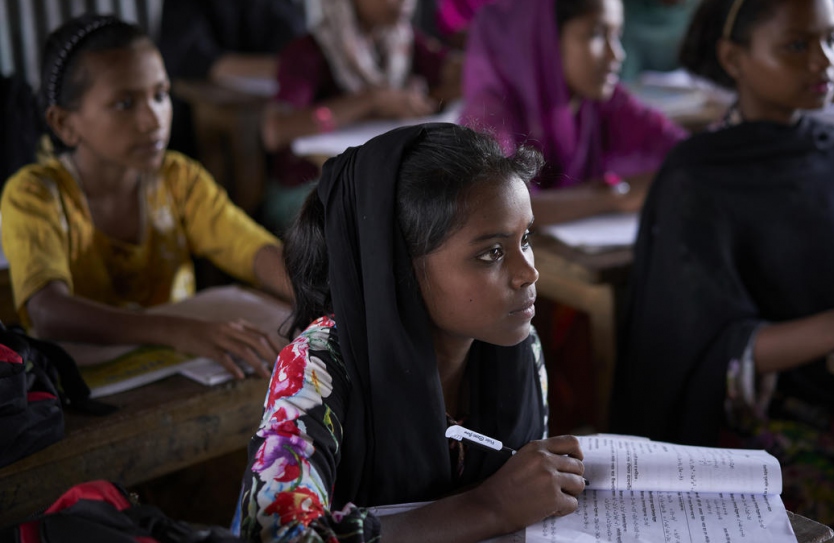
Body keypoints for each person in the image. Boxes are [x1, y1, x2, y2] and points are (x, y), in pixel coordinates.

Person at [608, 0, 834, 535]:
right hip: (740, 415)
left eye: (833, 39)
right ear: (733, 58)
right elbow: (708, 353)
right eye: (798, 45)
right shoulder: (696, 176)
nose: (824, 62)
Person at [239, 123, 586, 542]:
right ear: (399, 269)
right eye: (492, 252)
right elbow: (275, 536)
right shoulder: (317, 364)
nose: (529, 272)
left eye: (525, 239)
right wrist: (489, 507)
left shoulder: (517, 344)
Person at [0, 14, 293, 379]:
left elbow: (251, 249)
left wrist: (320, 297)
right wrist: (178, 331)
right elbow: (48, 310)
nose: (153, 120)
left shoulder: (178, 179)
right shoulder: (34, 195)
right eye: (125, 104)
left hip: (180, 373)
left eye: (160, 95)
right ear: (64, 124)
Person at [459, 0, 687, 226]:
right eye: (596, 35)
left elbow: (682, 149)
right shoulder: (488, 114)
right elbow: (499, 204)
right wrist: (613, 197)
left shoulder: (599, 101)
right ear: (545, 40)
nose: (616, 55)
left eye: (617, 35)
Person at [259, 0, 462, 232]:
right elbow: (274, 131)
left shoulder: (402, 42)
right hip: (309, 188)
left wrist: (424, 99)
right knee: (394, 219)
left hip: (377, 181)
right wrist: (372, 100)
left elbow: (460, 74)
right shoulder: (307, 51)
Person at [158, 0, 308, 156]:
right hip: (193, 129)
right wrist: (282, 67)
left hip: (274, 118)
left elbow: (296, 40)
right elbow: (194, 57)